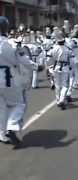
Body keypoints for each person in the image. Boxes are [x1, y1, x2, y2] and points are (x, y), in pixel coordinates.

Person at [0, 16, 40, 145]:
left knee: (1, 108)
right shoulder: (13, 44)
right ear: (6, 28)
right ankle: (11, 128)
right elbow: (24, 60)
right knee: (19, 104)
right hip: (10, 78)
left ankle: (2, 134)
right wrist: (37, 67)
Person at [47, 31, 74, 110]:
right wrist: (71, 67)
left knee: (57, 85)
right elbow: (72, 60)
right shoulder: (67, 49)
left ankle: (58, 100)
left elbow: (48, 59)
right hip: (65, 67)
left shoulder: (54, 48)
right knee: (65, 85)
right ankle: (62, 99)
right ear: (64, 41)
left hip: (56, 67)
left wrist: (49, 66)